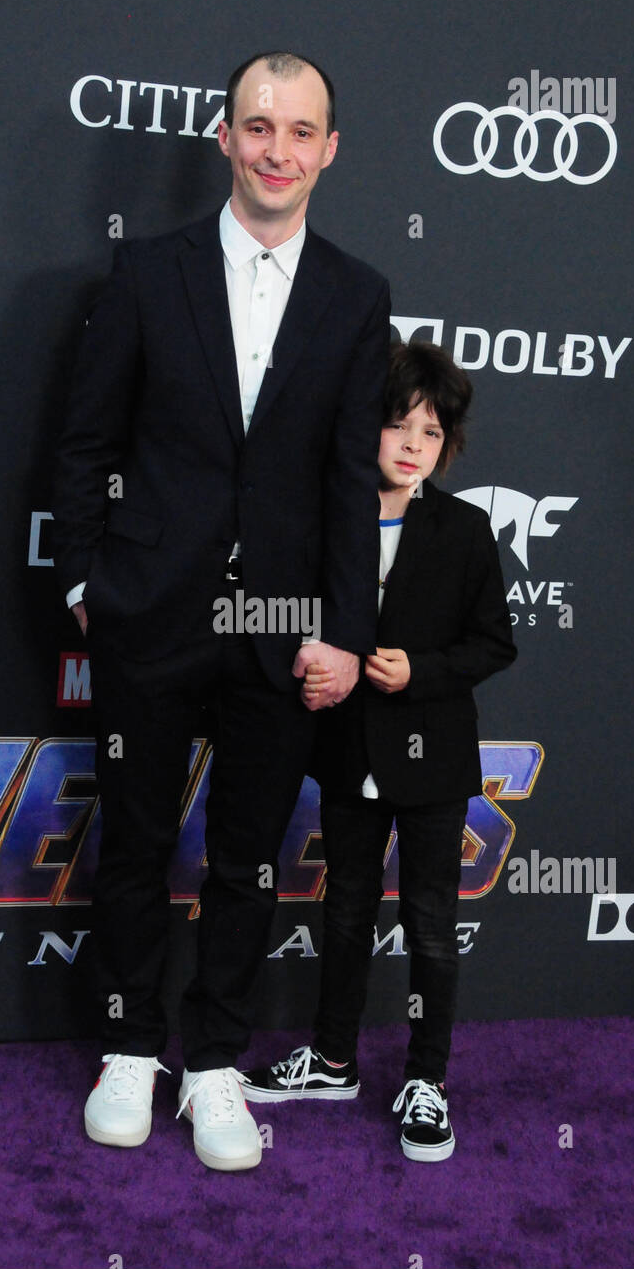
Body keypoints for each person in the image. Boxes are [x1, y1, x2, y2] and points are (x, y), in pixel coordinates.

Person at [51, 51, 390, 1171]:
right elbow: (87, 444)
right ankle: (128, 1048)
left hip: (285, 621)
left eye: (300, 132)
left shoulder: (357, 294)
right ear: (223, 137)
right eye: (258, 127)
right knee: (138, 839)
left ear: (329, 149)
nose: (278, 151)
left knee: (247, 855)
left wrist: (343, 626)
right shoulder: (147, 273)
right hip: (150, 605)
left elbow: (351, 478)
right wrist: (85, 581)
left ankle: (213, 1066)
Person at [243, 340, 517, 1161]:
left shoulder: (465, 529)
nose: (410, 444)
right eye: (396, 424)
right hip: (346, 751)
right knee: (345, 911)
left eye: (429, 433)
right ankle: (332, 1061)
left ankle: (426, 1079)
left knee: (431, 925)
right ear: (365, 427)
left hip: (432, 761)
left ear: (447, 446)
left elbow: (494, 644)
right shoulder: (328, 525)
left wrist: (421, 671)